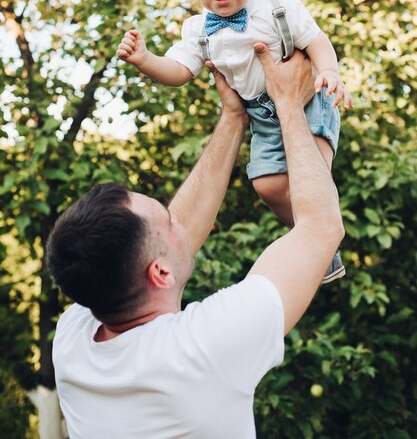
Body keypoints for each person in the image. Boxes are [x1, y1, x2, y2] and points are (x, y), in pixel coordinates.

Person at [47, 47, 345, 439]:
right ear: (160, 272)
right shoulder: (205, 347)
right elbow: (320, 229)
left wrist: (234, 117)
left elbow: (163, 242)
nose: (177, 219)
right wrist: (288, 103)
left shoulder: (75, 339)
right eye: (167, 219)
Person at [116, 0, 352, 283]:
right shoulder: (197, 30)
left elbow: (316, 40)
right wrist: (145, 60)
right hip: (261, 114)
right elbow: (179, 71)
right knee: (267, 185)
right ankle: (326, 245)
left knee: (311, 178)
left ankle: (320, 235)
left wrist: (330, 72)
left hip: (307, 101)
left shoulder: (279, 6)